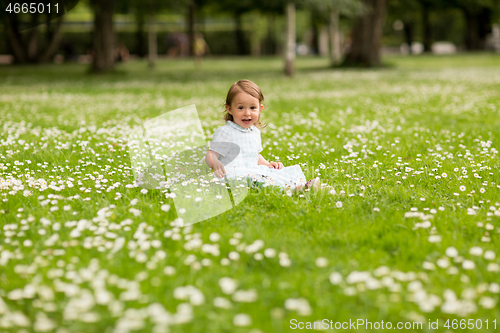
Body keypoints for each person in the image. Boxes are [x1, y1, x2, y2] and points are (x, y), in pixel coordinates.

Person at [204, 79, 322, 194]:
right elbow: (211, 154)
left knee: (275, 173)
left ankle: (301, 185)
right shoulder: (226, 132)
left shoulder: (254, 132)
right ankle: (293, 189)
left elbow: (254, 155)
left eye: (252, 108)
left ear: (260, 109)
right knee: (259, 180)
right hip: (234, 175)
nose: (247, 113)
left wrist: (267, 164)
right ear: (229, 109)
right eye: (241, 108)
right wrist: (215, 164)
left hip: (252, 171)